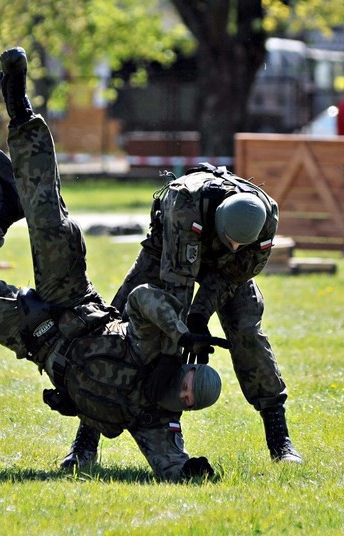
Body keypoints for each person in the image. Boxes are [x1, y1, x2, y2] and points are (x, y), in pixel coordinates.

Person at [0, 46, 228, 481]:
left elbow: (171, 464)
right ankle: (21, 113)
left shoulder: (154, 421)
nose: (183, 395)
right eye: (189, 385)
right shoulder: (158, 348)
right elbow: (145, 298)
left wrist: (190, 472)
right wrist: (181, 328)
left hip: (39, 338)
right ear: (188, 369)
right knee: (51, 225)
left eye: (189, 400)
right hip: (73, 304)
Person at [61, 159, 302, 469]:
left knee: (247, 332)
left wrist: (201, 315)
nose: (235, 245)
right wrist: (181, 336)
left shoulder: (265, 220)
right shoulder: (185, 205)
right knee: (118, 329)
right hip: (167, 253)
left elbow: (234, 275)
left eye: (242, 243)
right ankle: (85, 442)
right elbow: (177, 287)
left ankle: (279, 440)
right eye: (230, 240)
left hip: (225, 272)